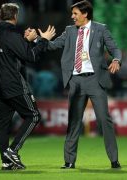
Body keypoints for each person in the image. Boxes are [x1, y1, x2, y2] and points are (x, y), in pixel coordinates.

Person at [47, 0, 121, 169]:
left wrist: (116, 59)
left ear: (85, 14)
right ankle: (69, 161)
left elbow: (114, 49)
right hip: (76, 81)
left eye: (75, 13)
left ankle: (114, 160)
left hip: (95, 80)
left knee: (104, 120)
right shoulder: (69, 31)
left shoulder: (100, 29)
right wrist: (40, 39)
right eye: (72, 13)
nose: (72, 17)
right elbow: (53, 45)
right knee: (74, 121)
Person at [0, 3, 55, 170]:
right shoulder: (11, 35)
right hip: (14, 85)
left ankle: (6, 161)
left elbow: (10, 54)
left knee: (3, 124)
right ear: (16, 16)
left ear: (0, 15)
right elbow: (30, 57)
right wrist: (43, 40)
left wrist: (25, 41)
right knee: (34, 116)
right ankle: (13, 150)